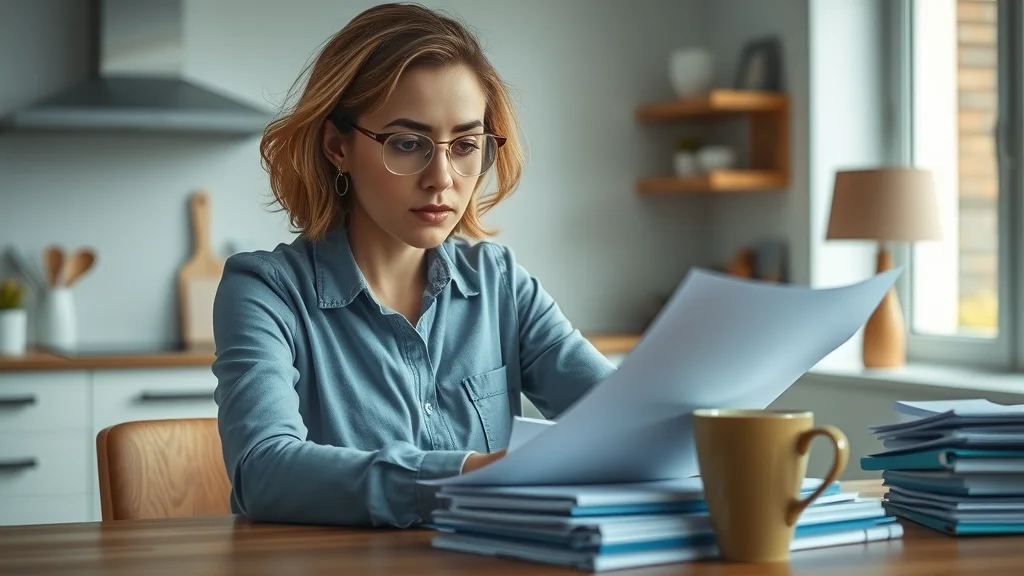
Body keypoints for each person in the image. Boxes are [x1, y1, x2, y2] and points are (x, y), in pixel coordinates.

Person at [211, 2, 616, 528]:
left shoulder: (500, 283)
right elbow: (262, 471)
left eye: (466, 144)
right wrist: (469, 474)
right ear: (338, 146)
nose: (442, 177)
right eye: (407, 144)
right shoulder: (264, 291)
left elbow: (618, 420)